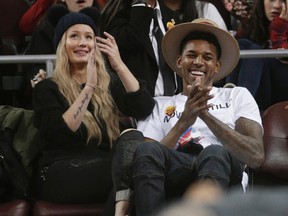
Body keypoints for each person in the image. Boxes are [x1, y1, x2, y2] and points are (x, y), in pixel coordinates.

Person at [116, 18, 264, 216]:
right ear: (179, 61)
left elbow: (255, 156)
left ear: (217, 66)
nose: (198, 62)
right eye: (191, 55)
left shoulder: (237, 95)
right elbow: (145, 159)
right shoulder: (159, 104)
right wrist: (185, 120)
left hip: (223, 170)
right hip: (177, 168)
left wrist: (204, 114)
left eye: (207, 57)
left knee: (214, 153)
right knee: (146, 149)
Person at [32, 12, 155, 208]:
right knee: (134, 169)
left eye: (89, 37)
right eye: (74, 36)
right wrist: (88, 88)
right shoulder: (46, 88)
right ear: (61, 45)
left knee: (132, 139)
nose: (83, 42)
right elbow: (60, 133)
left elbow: (144, 107)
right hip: (61, 172)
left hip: (107, 169)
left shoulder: (109, 84)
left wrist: (119, 65)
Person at [101, 0, 227, 98]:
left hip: (172, 106)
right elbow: (134, 40)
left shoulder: (169, 16)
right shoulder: (116, 18)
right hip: (138, 107)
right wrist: (142, 4)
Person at [225, 0, 288, 111]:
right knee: (243, 45)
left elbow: (284, 57)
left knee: (255, 53)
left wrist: (280, 26)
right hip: (262, 89)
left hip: (283, 86)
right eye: (272, 0)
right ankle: (233, 97)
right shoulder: (253, 25)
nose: (277, 6)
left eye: (283, 1)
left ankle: (237, 106)